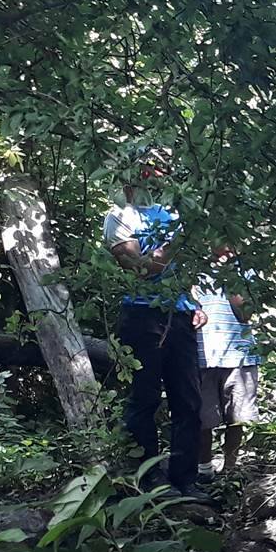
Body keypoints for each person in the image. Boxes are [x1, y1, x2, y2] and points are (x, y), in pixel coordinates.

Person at [103, 165, 203, 496]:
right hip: (143, 315)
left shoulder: (172, 212)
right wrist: (174, 245)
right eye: (149, 168)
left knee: (187, 399)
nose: (157, 173)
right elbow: (141, 269)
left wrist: (194, 302)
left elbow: (188, 267)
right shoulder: (119, 217)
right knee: (144, 397)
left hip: (181, 314)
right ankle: (150, 478)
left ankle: (185, 479)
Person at [194, 254, 260, 478]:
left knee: (237, 416)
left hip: (239, 355)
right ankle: (204, 469)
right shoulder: (191, 267)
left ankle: (230, 470)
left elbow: (245, 313)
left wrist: (231, 276)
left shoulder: (246, 269)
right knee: (202, 417)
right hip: (202, 353)